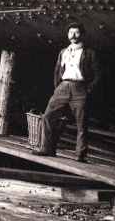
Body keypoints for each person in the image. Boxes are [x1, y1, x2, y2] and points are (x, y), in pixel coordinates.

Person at [32, 23, 100, 162]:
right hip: (63, 87)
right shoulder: (63, 52)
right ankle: (47, 148)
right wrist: (58, 87)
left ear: (82, 35)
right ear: (68, 35)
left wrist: (88, 89)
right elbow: (57, 71)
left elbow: (98, 75)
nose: (73, 35)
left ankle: (80, 154)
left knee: (81, 122)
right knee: (48, 116)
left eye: (76, 32)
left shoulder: (89, 52)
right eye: (70, 32)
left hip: (79, 88)